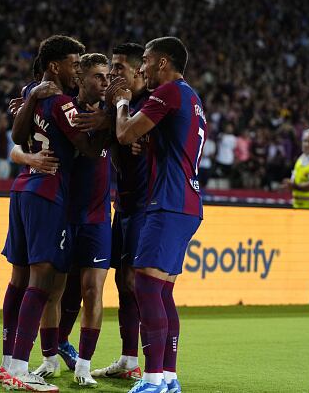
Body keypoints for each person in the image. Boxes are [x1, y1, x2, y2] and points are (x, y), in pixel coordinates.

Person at [0, 35, 108, 392]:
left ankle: (7, 361)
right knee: (41, 284)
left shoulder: (32, 93)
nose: (77, 70)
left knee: (18, 280)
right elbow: (89, 150)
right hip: (48, 194)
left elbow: (16, 137)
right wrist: (110, 127)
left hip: (22, 189)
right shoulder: (62, 104)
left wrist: (29, 102)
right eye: (73, 64)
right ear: (53, 67)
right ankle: (17, 367)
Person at [111, 36, 207, 393]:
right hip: (186, 203)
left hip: (167, 202)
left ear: (163, 63)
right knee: (162, 293)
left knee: (146, 287)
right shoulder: (193, 99)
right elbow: (171, 143)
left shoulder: (167, 92)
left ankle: (151, 379)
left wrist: (122, 103)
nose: (142, 69)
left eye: (146, 61)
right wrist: (146, 141)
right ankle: (167, 378)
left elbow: (122, 133)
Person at [30, 53, 111, 388]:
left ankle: (84, 365)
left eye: (108, 77)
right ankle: (49, 358)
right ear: (81, 79)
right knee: (54, 292)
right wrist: (28, 100)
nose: (104, 83)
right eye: (98, 77)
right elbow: (25, 140)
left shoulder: (116, 116)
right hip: (63, 213)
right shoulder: (64, 111)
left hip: (97, 218)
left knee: (93, 291)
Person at [76, 42, 148, 381]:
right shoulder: (115, 103)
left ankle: (151, 366)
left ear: (138, 72)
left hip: (149, 205)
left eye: (119, 67)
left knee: (138, 282)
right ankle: (128, 359)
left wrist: (136, 137)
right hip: (125, 204)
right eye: (111, 68)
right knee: (122, 280)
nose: (113, 74)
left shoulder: (148, 102)